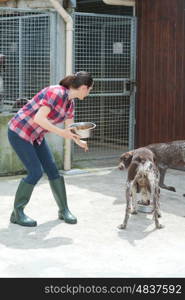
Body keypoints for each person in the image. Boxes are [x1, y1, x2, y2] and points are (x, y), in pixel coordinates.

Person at [8, 71, 93, 227]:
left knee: (53, 170)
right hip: (19, 132)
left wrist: (79, 141)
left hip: (35, 135)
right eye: (89, 89)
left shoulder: (70, 103)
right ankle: (17, 213)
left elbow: (70, 128)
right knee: (35, 172)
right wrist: (62, 133)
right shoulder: (56, 92)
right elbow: (39, 119)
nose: (89, 93)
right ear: (83, 88)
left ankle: (64, 210)